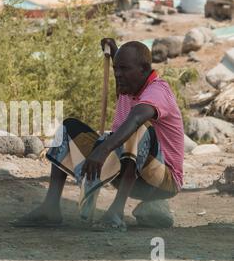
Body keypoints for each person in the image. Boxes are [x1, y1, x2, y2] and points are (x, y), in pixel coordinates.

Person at [11, 38, 185, 231]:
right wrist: (114, 51)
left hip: (162, 181)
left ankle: (116, 213)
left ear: (144, 69)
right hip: (128, 170)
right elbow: (127, 69)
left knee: (137, 129)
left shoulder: (157, 91)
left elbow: (136, 119)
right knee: (69, 127)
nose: (118, 75)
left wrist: (102, 149)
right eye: (116, 69)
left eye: (123, 69)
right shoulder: (130, 85)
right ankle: (50, 208)